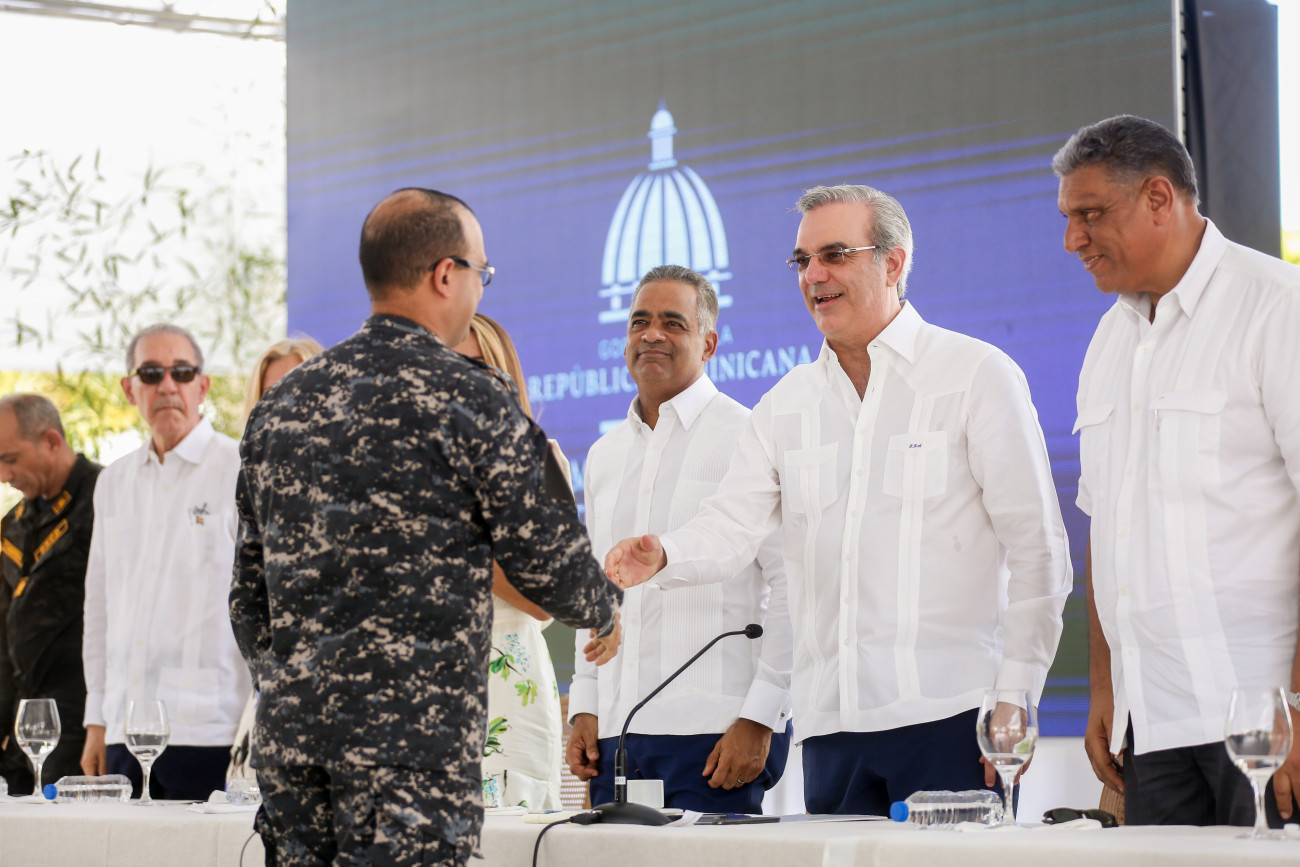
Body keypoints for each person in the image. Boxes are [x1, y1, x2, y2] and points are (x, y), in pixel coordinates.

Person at [605, 184, 1071, 815]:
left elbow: (1039, 549)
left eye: (834, 255)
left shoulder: (974, 375)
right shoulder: (785, 405)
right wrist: (666, 553)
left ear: (893, 263)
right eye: (803, 261)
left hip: (953, 719)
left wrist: (1017, 693)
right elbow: (732, 527)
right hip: (831, 730)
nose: (814, 275)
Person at [231, 187, 622, 866]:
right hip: (410, 760)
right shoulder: (473, 397)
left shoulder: (283, 405)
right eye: (481, 272)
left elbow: (247, 597)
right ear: (446, 273)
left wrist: (299, 685)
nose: (479, 287)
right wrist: (605, 607)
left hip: (294, 755)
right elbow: (553, 564)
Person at [1057, 115, 1300, 826]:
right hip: (1150, 724)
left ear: (1159, 198)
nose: (1073, 239)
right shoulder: (1108, 340)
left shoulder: (1277, 307)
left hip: (1264, 724)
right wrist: (1106, 687)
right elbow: (1105, 527)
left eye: (1090, 214)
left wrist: (1297, 703)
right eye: (1068, 218)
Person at [566, 265, 793, 814]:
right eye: (639, 322)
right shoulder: (603, 454)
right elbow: (594, 591)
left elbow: (792, 583)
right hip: (618, 733)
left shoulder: (749, 436)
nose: (651, 334)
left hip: (715, 734)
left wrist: (762, 715)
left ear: (709, 343)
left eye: (673, 323)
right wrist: (586, 703)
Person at [81, 323, 251, 800]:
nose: (168, 385)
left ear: (203, 385)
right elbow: (99, 608)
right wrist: (97, 720)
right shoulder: (113, 482)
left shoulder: (240, 470)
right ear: (129, 388)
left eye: (182, 372)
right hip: (122, 730)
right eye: (152, 373)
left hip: (209, 729)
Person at [452, 313, 567, 810]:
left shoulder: (540, 461)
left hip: (507, 686)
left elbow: (546, 600)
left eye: (477, 366)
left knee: (508, 841)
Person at [228, 335, 324, 783]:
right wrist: (275, 680)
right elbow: (245, 600)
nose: (286, 400)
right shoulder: (252, 478)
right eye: (272, 392)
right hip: (278, 701)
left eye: (298, 383)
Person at [0, 394, 102, 794]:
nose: (4, 475)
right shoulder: (12, 525)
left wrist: (101, 721)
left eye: (10, 459)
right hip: (23, 721)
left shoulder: (104, 498)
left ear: (51, 441)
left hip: (81, 720)